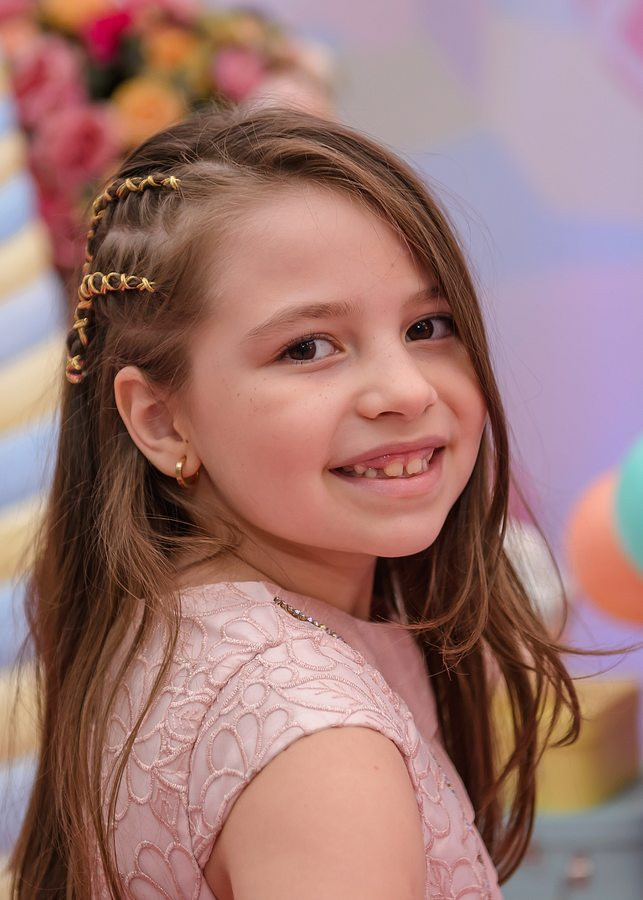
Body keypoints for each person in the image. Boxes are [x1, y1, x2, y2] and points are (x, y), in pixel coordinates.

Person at [10, 106, 580, 898]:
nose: (404, 390)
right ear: (162, 421)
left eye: (427, 326)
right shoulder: (318, 744)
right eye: (307, 347)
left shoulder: (157, 620)